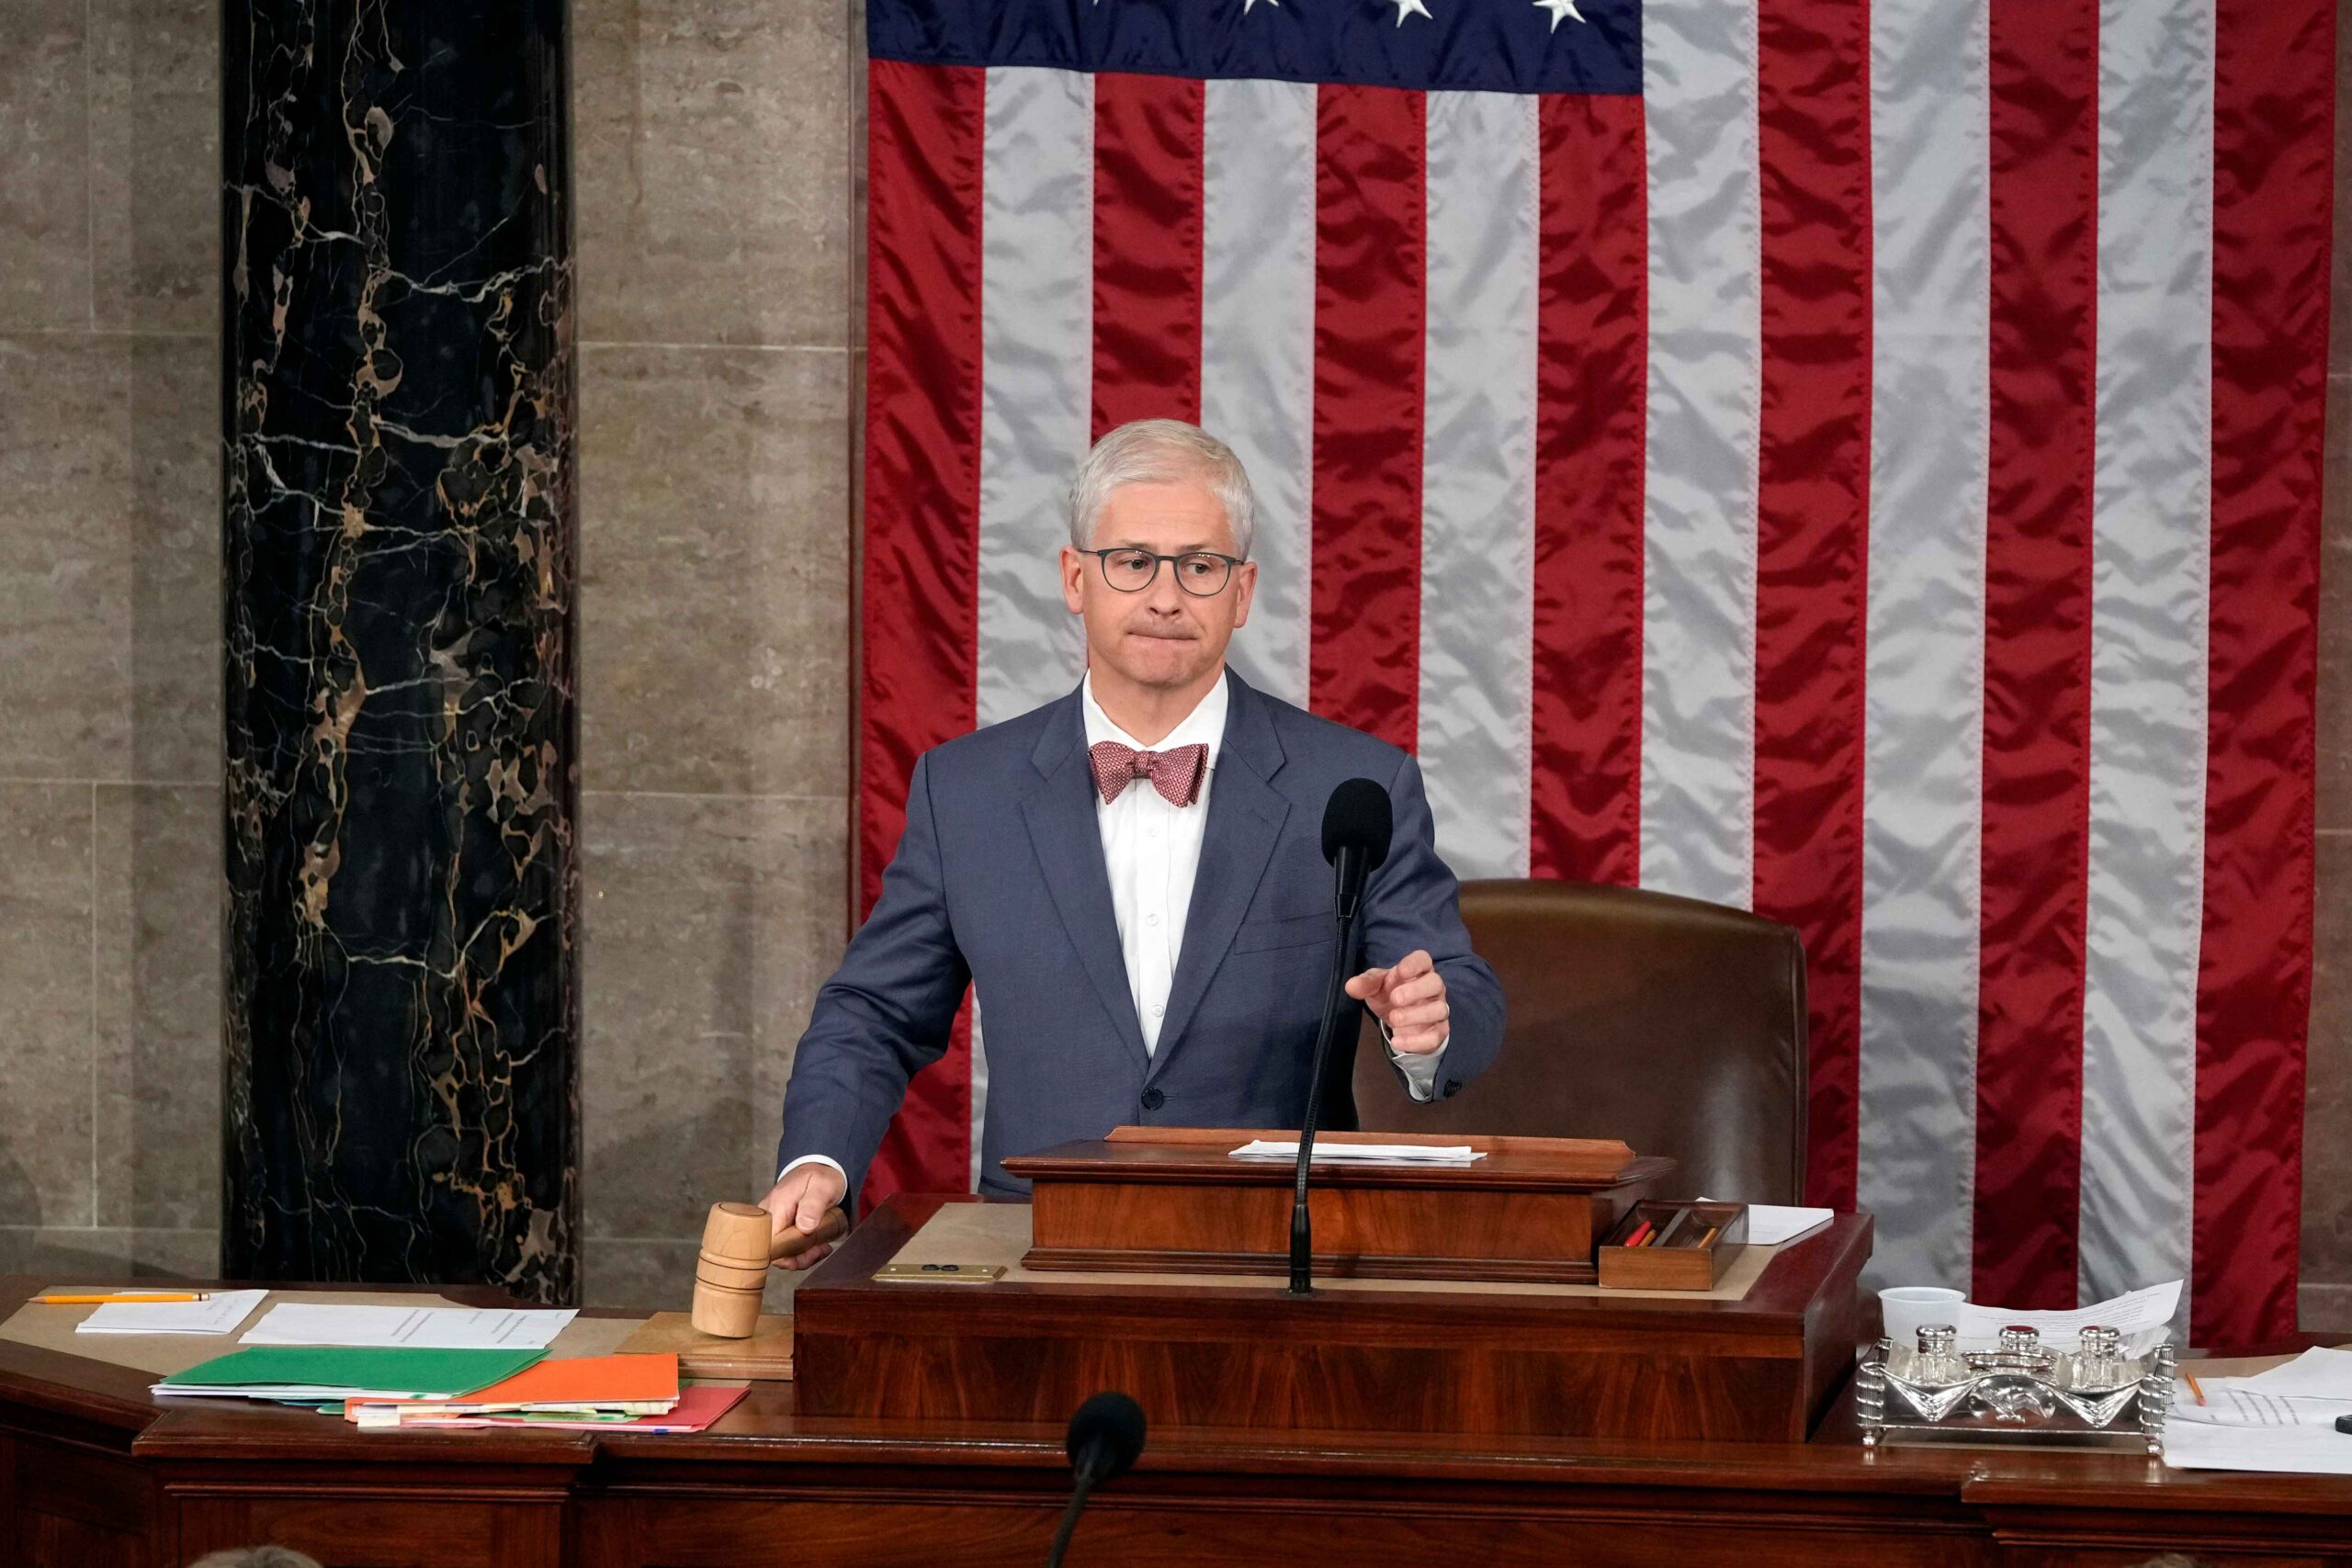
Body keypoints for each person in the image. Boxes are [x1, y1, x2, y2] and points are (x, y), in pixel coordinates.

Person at [761, 419, 1505, 1265]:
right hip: (1036, 1250)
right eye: (1133, 561)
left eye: (1199, 565)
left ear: (1243, 592)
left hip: (1276, 1251)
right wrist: (819, 1158)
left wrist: (1430, 1024)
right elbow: (876, 1011)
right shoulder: (966, 791)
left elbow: (1464, 990)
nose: (1164, 596)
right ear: (1076, 578)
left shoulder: (1355, 785)